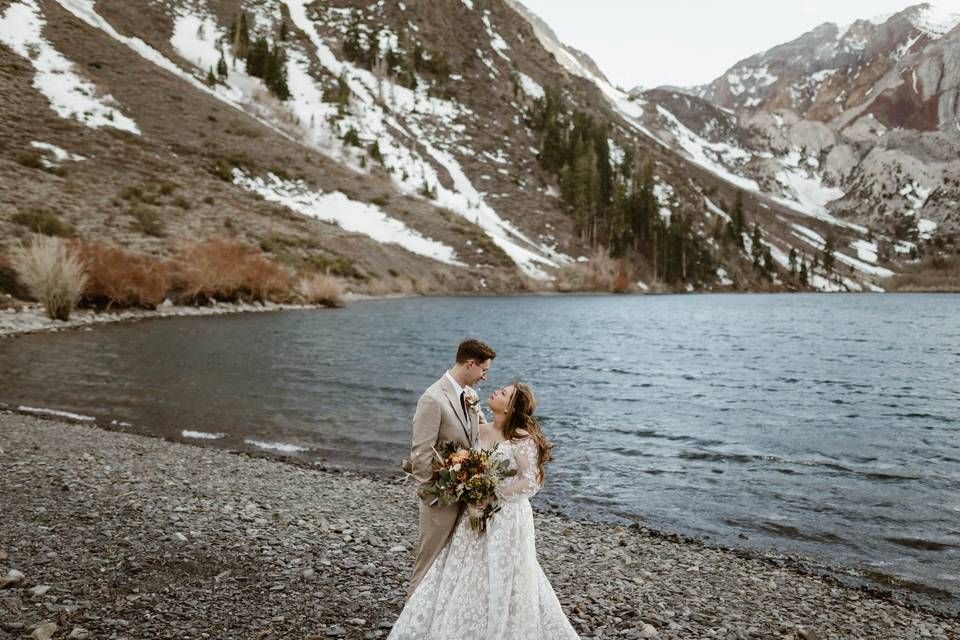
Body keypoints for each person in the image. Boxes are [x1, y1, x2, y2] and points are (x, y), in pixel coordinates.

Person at [390, 382, 580, 639]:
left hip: (508, 516)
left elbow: (531, 481)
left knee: (506, 571)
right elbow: (465, 462)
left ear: (511, 407)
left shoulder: (521, 438)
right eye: (500, 388)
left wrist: (493, 494)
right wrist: (468, 487)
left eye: (504, 393)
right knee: (467, 566)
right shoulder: (478, 430)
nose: (497, 391)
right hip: (474, 511)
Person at [407, 338, 495, 595]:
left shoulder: (471, 395)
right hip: (440, 498)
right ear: (470, 364)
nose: (485, 377)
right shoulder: (432, 399)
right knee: (428, 560)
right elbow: (420, 453)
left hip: (467, 495)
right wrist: (430, 495)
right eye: (484, 370)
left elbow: (479, 437)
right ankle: (410, 623)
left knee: (452, 560)